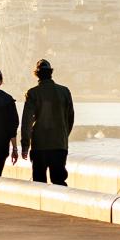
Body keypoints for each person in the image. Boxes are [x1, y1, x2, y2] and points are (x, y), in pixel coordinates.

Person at [21, 58, 75, 186]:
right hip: (59, 144)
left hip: (39, 145)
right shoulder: (64, 91)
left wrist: (25, 145)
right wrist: (63, 136)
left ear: (37, 74)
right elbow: (70, 118)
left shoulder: (32, 93)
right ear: (51, 72)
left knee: (39, 182)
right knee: (59, 180)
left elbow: (27, 121)